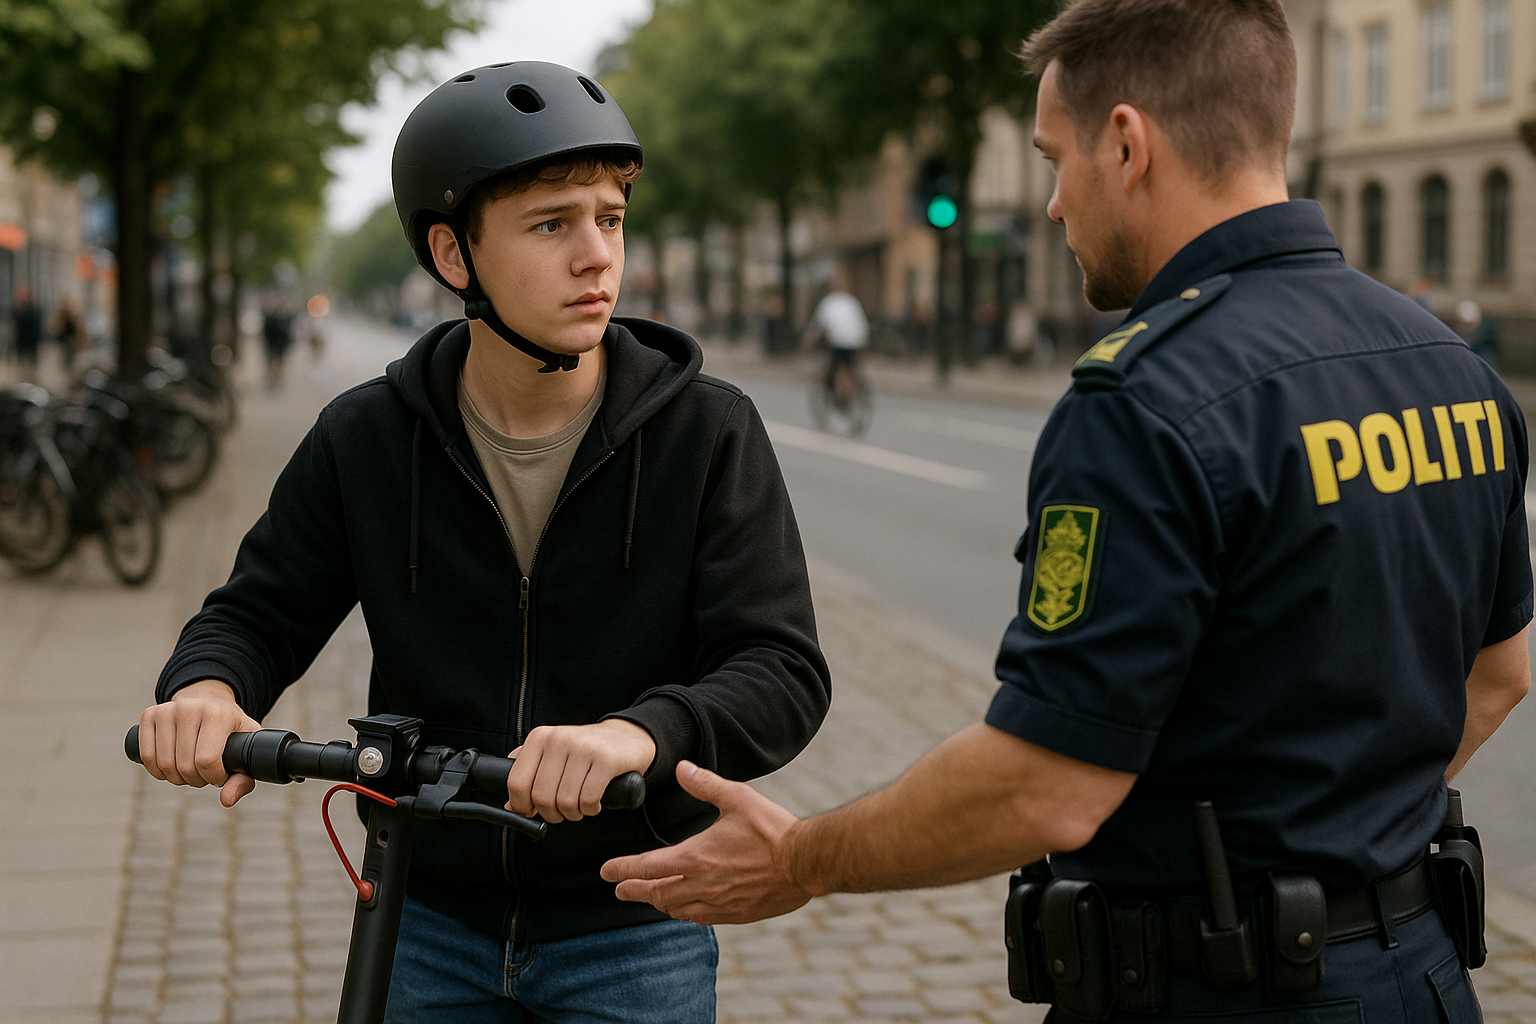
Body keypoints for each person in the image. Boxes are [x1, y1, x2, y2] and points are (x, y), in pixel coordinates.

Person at [602, 3, 1531, 1021]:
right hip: (1423, 979)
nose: (1051, 205)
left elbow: (1045, 785)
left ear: (1127, 144)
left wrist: (802, 859)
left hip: (1213, 991)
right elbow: (1500, 672)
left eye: (1054, 159)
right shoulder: (1449, 367)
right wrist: (1350, 825)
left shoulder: (1148, 399)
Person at [135, 61, 830, 1024]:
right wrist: (209, 689)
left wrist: (640, 732)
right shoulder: (368, 437)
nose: (597, 256)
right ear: (453, 254)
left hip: (632, 920)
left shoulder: (706, 432)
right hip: (426, 920)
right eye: (552, 225)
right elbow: (258, 611)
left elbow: (780, 667)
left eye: (610, 219)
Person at [805, 268, 869, 401]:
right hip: (855, 341)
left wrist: (811, 339)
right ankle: (851, 389)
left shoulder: (829, 302)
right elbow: (862, 323)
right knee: (850, 366)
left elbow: (820, 324)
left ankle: (841, 391)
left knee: (836, 367)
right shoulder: (852, 301)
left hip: (837, 341)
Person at [11, 284, 41, 378]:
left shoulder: (32, 309)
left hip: (30, 340)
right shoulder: (17, 309)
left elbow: (34, 325)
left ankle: (30, 376)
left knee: (31, 361)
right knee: (21, 361)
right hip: (21, 340)